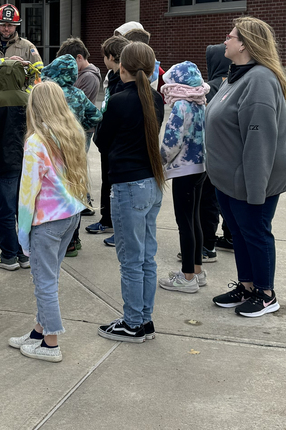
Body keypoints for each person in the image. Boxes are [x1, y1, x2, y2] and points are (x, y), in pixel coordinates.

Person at [205, 17, 286, 317]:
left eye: (230, 37)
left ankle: (266, 294)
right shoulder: (236, 76)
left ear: (245, 44)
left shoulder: (259, 81)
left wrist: (255, 191)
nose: (225, 41)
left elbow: (259, 144)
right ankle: (247, 286)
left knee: (255, 231)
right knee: (241, 232)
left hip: (253, 176)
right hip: (228, 177)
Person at [8, 82, 90, 362]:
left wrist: (22, 230)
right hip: (70, 214)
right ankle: (38, 332)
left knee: (44, 282)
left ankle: (51, 343)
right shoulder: (71, 132)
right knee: (49, 278)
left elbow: (27, 191)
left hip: (47, 220)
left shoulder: (36, 141)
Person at [95, 41, 165, 343]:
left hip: (128, 185)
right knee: (146, 256)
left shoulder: (121, 100)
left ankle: (133, 322)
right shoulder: (156, 98)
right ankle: (144, 318)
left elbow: (101, 138)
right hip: (151, 183)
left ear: (122, 66)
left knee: (131, 260)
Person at [40, 53, 102, 256]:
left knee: (54, 195)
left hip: (51, 152)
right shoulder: (78, 94)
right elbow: (96, 116)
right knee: (75, 193)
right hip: (74, 152)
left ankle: (54, 236)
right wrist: (82, 127)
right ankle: (72, 242)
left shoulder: (47, 93)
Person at [157, 61, 211, 294]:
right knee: (194, 219)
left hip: (184, 170)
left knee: (184, 222)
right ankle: (197, 271)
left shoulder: (181, 107)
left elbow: (171, 141)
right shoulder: (201, 102)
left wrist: (159, 161)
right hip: (201, 167)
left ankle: (187, 276)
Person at [86, 34, 130, 243]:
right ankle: (107, 219)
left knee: (116, 185)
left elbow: (116, 114)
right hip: (107, 145)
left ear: (111, 57)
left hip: (116, 144)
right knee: (107, 182)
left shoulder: (122, 82)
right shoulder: (113, 78)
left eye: (104, 55)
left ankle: (119, 229)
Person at [0, 61, 29, 271]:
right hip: (28, 162)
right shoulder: (30, 99)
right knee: (24, 210)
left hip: (4, 162)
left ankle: (8, 255)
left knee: (6, 211)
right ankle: (24, 254)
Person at [202, 42, 234, 252]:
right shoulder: (233, 83)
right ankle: (231, 237)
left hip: (211, 152)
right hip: (232, 152)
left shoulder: (209, 87)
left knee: (209, 200)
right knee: (230, 198)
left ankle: (207, 244)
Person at [57, 37, 102, 149]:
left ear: (79, 58)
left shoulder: (89, 77)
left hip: (81, 128)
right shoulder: (80, 74)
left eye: (70, 63)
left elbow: (76, 105)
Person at [0, 4, 44, 86]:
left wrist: (27, 95)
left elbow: (39, 75)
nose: (6, 29)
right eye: (3, 25)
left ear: (16, 25)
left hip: (19, 97)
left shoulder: (28, 47)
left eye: (10, 25)